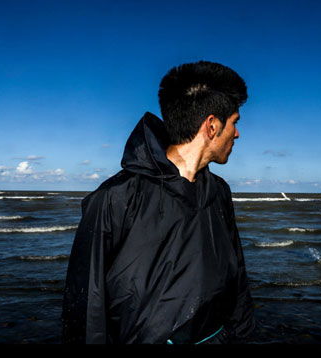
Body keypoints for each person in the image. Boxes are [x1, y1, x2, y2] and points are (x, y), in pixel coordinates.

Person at [62, 61, 255, 344]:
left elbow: (237, 275)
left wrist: (241, 335)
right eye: (234, 122)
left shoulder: (220, 192)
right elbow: (85, 304)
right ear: (212, 125)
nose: (236, 133)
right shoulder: (114, 198)